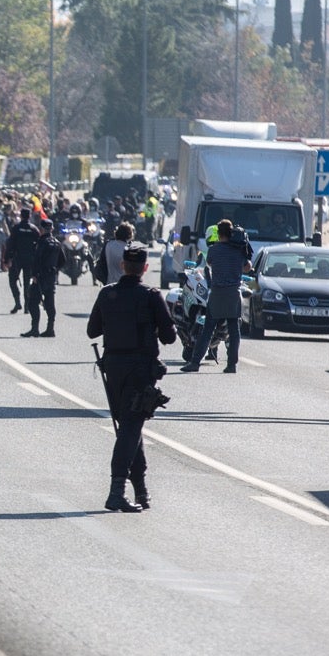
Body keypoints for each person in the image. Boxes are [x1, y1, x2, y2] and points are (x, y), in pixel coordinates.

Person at [87, 244, 176, 512]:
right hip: (140, 370)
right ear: (145, 268)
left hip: (114, 369)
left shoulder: (107, 294)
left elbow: (92, 331)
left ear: (123, 266)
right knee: (129, 428)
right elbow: (169, 337)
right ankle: (116, 492)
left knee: (129, 426)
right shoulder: (150, 296)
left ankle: (142, 492)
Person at [182, 219, 252, 373]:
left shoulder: (214, 250)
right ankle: (232, 365)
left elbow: (210, 263)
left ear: (219, 234)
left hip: (217, 292)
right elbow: (247, 267)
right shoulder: (239, 250)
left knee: (208, 329)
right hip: (234, 293)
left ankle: (195, 363)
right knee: (234, 330)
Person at [21, 219, 64, 338]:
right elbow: (62, 261)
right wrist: (54, 270)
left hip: (40, 277)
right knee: (50, 302)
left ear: (42, 229)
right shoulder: (56, 243)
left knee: (33, 302)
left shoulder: (41, 242)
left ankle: (35, 329)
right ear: (52, 229)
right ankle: (50, 329)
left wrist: (34, 274)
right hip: (51, 277)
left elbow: (37, 259)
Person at [3, 209, 39, 313]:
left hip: (17, 258)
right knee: (27, 282)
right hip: (30, 259)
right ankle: (26, 306)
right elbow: (38, 246)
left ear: (22, 216)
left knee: (13, 280)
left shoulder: (16, 228)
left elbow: (10, 245)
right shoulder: (34, 229)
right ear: (29, 216)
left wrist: (6, 259)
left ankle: (18, 302)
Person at [102, 221, 134, 286]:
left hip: (109, 284)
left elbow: (101, 264)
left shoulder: (108, 245)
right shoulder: (129, 248)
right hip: (126, 285)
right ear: (129, 235)